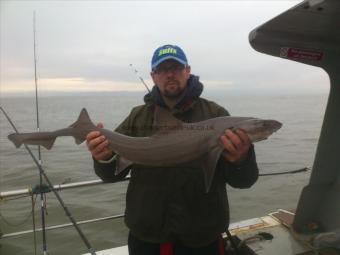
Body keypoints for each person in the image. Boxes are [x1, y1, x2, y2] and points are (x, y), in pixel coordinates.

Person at [86, 44, 259, 255]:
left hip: (201, 236)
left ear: (187, 70)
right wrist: (103, 158)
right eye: (162, 69)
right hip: (147, 236)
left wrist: (241, 160)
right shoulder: (138, 117)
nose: (170, 74)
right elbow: (112, 175)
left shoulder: (215, 114)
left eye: (176, 68)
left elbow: (244, 181)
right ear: (153, 75)